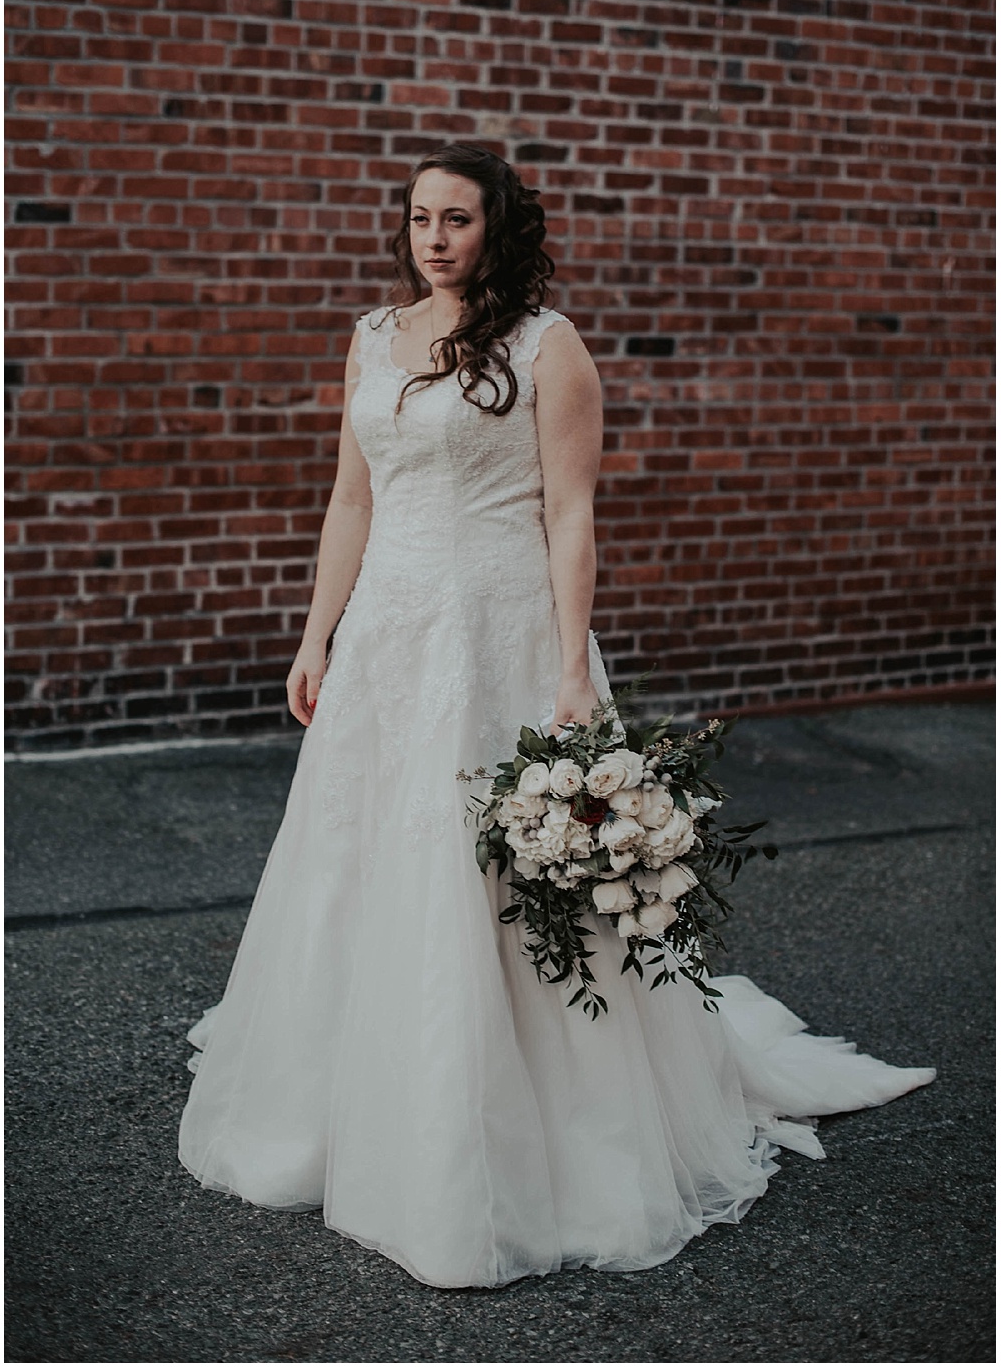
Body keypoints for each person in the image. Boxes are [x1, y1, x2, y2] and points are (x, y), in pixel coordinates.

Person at [177, 143, 934, 1290]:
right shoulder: (371, 337)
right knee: (358, 856)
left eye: (455, 218)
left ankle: (514, 1122)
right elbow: (349, 499)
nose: (433, 238)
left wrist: (571, 669)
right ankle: (351, 1099)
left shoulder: (546, 345)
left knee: (491, 870)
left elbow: (570, 515)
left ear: (497, 226)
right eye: (418, 218)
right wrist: (314, 634)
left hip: (499, 633)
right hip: (387, 638)